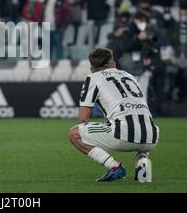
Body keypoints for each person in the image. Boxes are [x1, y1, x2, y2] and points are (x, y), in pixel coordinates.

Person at [68, 48, 159, 182]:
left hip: (123, 133)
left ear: (92, 68)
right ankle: (142, 162)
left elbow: (83, 118)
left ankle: (114, 166)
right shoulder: (129, 76)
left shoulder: (92, 77)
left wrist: (93, 141)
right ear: (113, 64)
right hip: (152, 135)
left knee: (74, 133)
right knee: (139, 124)